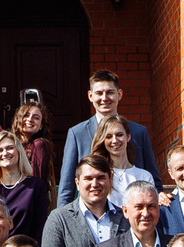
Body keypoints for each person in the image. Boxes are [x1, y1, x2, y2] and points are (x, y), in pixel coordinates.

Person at [53, 70, 161, 207]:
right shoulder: (77, 133)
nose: (104, 98)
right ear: (90, 96)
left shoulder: (139, 132)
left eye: (109, 92)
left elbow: (154, 180)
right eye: (99, 93)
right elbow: (67, 187)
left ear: (119, 94)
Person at [0, 129, 43, 239]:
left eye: (10, 148)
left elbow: (40, 227)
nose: (5, 153)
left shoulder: (35, 186)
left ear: (19, 151)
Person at [91, 114, 153, 210]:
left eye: (119, 135)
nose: (115, 140)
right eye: (108, 137)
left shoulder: (144, 176)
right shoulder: (99, 176)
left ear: (128, 136)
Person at [9, 91, 54, 202]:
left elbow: (36, 180)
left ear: (41, 126)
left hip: (27, 199)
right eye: (26, 115)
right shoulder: (11, 143)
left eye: (36, 117)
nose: (30, 120)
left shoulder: (39, 145)